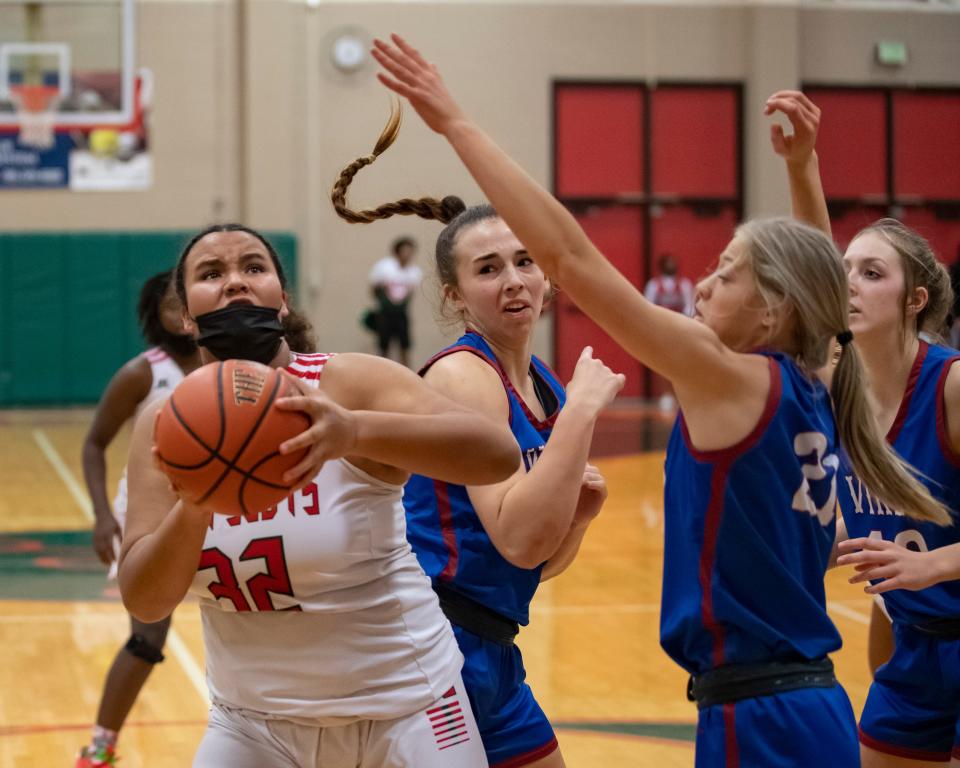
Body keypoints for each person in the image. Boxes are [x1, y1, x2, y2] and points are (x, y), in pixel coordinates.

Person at [368, 35, 950, 767]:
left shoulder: (732, 378)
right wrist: (802, 168)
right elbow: (816, 295)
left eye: (727, 273)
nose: (703, 285)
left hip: (760, 716)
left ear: (771, 311)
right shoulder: (815, 381)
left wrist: (454, 123)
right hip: (805, 704)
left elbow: (573, 259)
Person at [117, 223, 521, 768]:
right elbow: (144, 598)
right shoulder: (164, 425)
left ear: (282, 301)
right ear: (186, 314)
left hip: (409, 705)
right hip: (253, 722)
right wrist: (197, 500)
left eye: (253, 268)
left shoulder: (345, 381)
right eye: (212, 274)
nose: (235, 281)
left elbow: (496, 454)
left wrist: (354, 431)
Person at [332, 146, 624, 766]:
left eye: (524, 262)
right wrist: (580, 416)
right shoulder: (465, 375)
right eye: (488, 269)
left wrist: (578, 519)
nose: (514, 280)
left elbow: (532, 565)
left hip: (491, 645)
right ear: (456, 297)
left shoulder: (546, 385)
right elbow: (518, 538)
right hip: (434, 648)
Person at [767, 89, 960, 767]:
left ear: (915, 299)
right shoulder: (841, 376)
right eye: (845, 270)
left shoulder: (952, 385)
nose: (848, 282)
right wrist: (802, 165)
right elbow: (812, 259)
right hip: (918, 644)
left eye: (871, 273)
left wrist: (927, 563)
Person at [77, 270, 201, 768]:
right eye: (172, 304)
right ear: (157, 315)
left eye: (186, 301)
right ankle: (100, 747)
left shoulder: (231, 362)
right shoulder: (141, 373)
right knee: (147, 639)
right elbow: (93, 443)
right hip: (149, 515)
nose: (181, 312)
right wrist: (103, 515)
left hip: (217, 510)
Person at [644, 253, 694, 410]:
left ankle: (681, 395)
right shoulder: (654, 285)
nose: (671, 265)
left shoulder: (685, 285)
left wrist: (681, 324)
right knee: (662, 364)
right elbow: (647, 307)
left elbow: (690, 307)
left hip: (680, 330)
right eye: (668, 262)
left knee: (681, 363)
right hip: (661, 330)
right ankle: (666, 395)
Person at [367, 235, 423, 366]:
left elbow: (411, 293)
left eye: (410, 251)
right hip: (385, 313)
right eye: (405, 250)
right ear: (397, 251)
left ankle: (407, 375)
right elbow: (373, 288)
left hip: (401, 314)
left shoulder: (414, 272)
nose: (407, 254)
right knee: (384, 347)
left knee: (405, 346)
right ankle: (381, 374)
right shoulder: (384, 267)